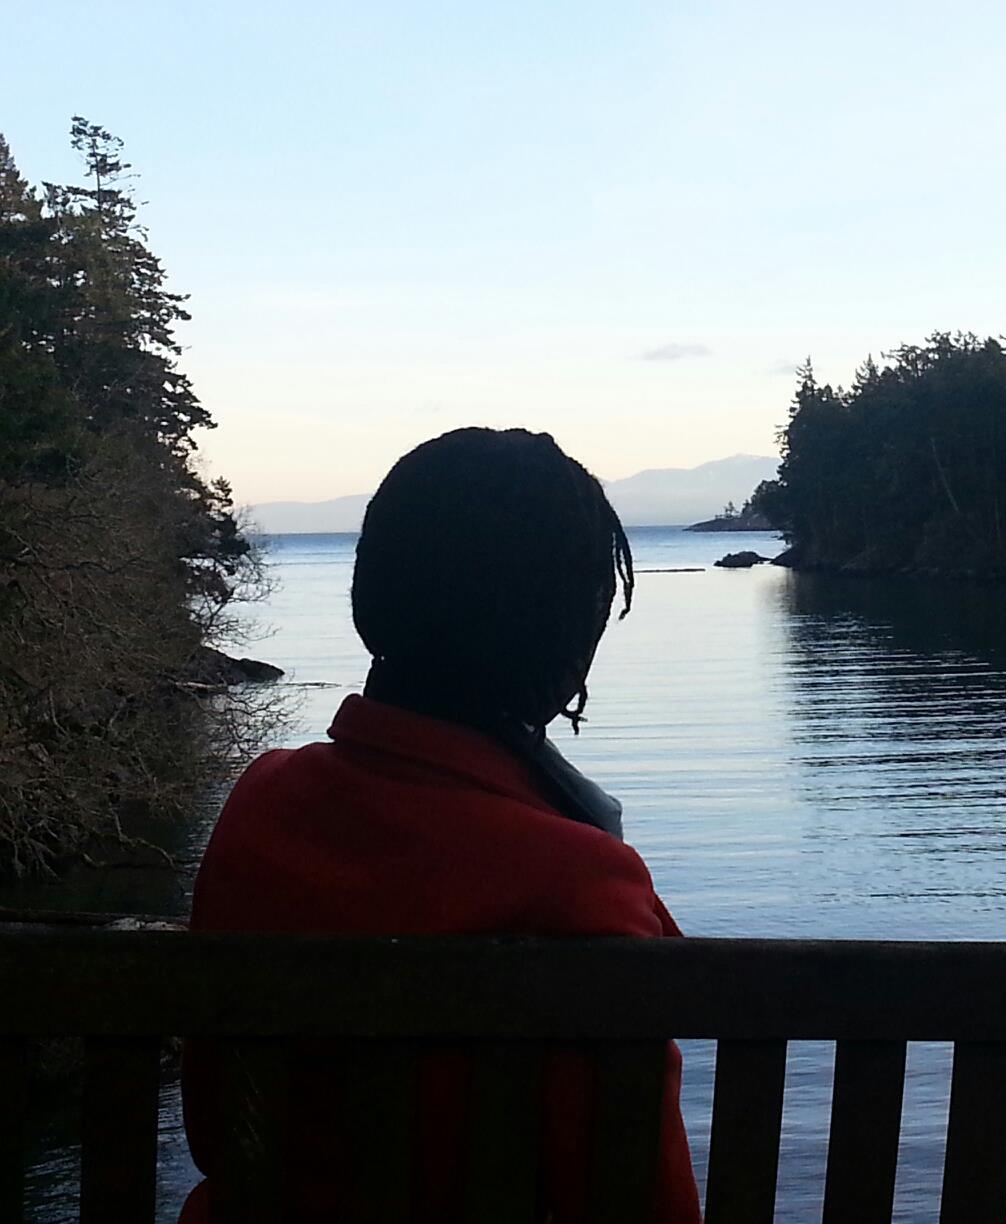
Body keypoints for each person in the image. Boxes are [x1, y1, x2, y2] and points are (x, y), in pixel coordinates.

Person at [180, 428, 700, 1223]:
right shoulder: (580, 884)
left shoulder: (262, 802)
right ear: (570, 640)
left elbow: (217, 1124)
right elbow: (641, 1198)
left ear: (371, 600)